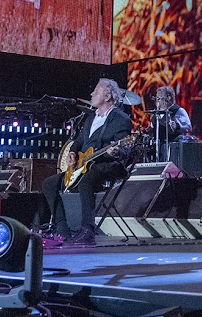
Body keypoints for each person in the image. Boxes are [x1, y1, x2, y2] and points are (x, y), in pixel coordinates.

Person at [41, 78, 133, 246]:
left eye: (96, 91)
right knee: (49, 183)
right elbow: (78, 141)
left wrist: (116, 150)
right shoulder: (90, 118)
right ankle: (62, 231)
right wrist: (73, 153)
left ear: (107, 96)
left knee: (87, 179)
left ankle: (87, 230)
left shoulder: (121, 118)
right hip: (84, 164)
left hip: (108, 164)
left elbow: (125, 148)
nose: (91, 94)